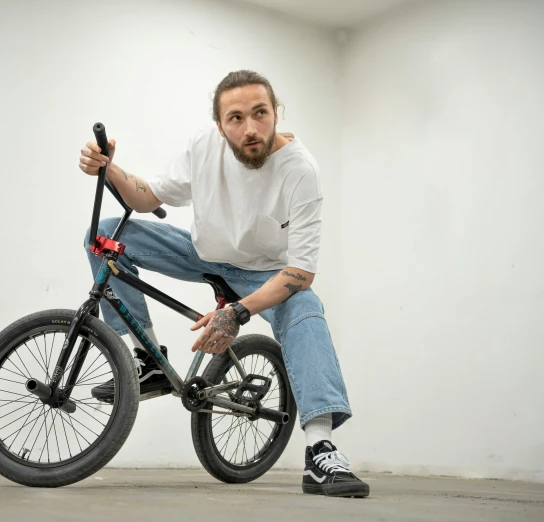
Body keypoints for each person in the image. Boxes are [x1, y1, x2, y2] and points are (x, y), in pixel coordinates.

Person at [79, 70, 369, 498]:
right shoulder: (203, 147)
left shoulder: (301, 171)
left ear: (276, 113)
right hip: (201, 253)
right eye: (236, 118)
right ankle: (148, 361)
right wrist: (110, 168)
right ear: (219, 125)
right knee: (105, 235)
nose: (250, 129)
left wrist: (237, 311)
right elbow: (146, 196)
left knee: (306, 309)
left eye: (260, 113)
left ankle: (321, 448)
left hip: (265, 274)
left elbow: (301, 272)